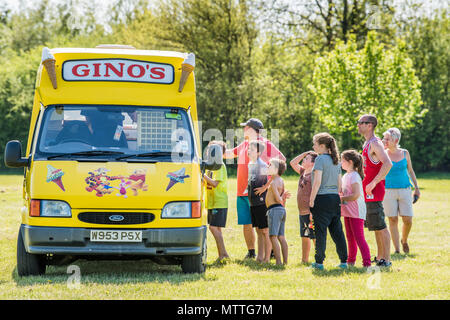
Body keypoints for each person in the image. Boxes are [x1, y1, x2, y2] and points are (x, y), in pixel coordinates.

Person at [223, 118, 285, 259]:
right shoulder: (245, 144)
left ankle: (269, 253)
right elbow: (229, 153)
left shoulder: (266, 144)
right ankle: (251, 252)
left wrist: (268, 184)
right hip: (243, 191)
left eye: (246, 128)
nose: (244, 130)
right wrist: (216, 148)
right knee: (247, 223)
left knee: (263, 226)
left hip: (260, 192)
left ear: (252, 129)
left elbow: (281, 160)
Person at [357, 114, 393, 267]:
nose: (358, 125)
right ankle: (380, 257)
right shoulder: (367, 143)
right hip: (367, 192)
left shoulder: (375, 143)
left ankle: (387, 259)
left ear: (369, 125)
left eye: (361, 123)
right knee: (375, 226)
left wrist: (373, 182)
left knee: (381, 226)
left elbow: (388, 164)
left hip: (374, 191)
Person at [309, 133, 348, 270]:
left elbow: (317, 181)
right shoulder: (335, 159)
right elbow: (339, 183)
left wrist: (312, 200)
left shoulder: (320, 159)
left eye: (314, 144)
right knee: (337, 231)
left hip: (322, 198)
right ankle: (344, 261)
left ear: (322, 146)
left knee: (320, 232)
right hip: (334, 198)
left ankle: (319, 263)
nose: (313, 146)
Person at [382, 128, 420, 254]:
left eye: (388, 139)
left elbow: (410, 170)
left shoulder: (405, 153)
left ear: (396, 140)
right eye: (384, 138)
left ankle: (404, 240)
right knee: (392, 219)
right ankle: (397, 249)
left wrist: (417, 188)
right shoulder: (383, 153)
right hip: (388, 191)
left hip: (405, 190)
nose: (385, 141)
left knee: (408, 219)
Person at [340, 150, 371, 268]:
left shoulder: (354, 176)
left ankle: (367, 264)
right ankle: (350, 262)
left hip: (356, 211)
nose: (340, 163)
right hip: (348, 211)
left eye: (343, 160)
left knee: (359, 238)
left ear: (350, 162)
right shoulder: (346, 175)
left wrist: (341, 199)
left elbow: (356, 195)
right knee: (350, 237)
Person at [203, 141, 230, 262]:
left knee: (213, 228)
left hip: (219, 202)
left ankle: (224, 254)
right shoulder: (211, 166)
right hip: (212, 202)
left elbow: (214, 183)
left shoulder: (219, 166)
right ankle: (222, 255)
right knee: (217, 229)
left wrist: (202, 174)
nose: (208, 152)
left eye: (212, 150)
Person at [290, 151, 317, 264]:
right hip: (302, 211)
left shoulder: (314, 175)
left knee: (314, 236)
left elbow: (316, 193)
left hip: (310, 211)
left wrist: (313, 211)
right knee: (304, 236)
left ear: (312, 163)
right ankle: (304, 260)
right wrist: (305, 153)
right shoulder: (303, 172)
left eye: (306, 159)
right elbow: (292, 163)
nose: (303, 160)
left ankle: (319, 258)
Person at [247, 140, 271, 263]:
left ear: (258, 152)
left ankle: (267, 257)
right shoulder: (251, 164)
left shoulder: (262, 165)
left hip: (262, 202)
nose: (248, 151)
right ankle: (259, 256)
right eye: (248, 148)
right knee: (258, 230)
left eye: (251, 149)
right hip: (253, 202)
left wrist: (264, 187)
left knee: (265, 230)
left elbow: (274, 177)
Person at [266, 158, 288, 265]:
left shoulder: (273, 182)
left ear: (275, 169)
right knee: (281, 236)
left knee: (273, 236)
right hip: (281, 210)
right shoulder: (281, 180)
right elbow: (283, 199)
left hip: (274, 209)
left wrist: (281, 197)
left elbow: (279, 198)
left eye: (269, 165)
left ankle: (278, 262)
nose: (267, 167)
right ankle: (285, 262)